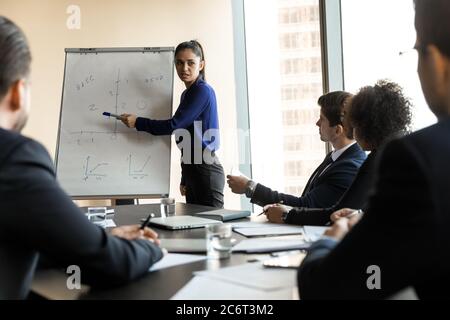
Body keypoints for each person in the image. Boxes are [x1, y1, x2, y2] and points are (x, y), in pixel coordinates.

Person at [0, 16, 163, 300]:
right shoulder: (15, 157)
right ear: (18, 91)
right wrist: (153, 249)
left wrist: (91, 241)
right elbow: (107, 265)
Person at [297, 0, 450, 299]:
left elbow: (327, 289)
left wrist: (332, 238)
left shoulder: (417, 159)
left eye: (417, 51)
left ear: (434, 58)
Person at [265, 80, 412, 226]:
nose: (350, 133)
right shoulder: (396, 152)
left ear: (367, 127)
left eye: (352, 125)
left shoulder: (378, 160)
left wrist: (287, 215)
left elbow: (336, 213)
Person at [120, 40, 224, 208]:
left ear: (201, 65)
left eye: (191, 63)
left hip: (206, 170)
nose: (184, 68)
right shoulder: (187, 94)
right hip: (194, 169)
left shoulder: (202, 90)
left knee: (210, 228)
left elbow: (174, 125)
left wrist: (138, 122)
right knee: (197, 229)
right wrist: (185, 177)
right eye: (179, 63)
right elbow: (186, 138)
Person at [227, 91, 366, 209]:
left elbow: (305, 205)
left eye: (322, 119)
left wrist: (249, 187)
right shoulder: (336, 157)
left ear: (337, 130)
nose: (317, 123)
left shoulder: (349, 167)